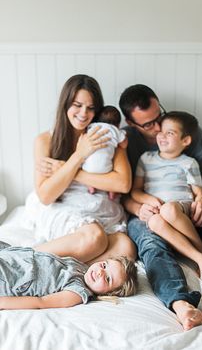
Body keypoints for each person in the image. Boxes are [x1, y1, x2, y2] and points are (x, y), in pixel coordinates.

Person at [119, 83, 202, 331]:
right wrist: (138, 207)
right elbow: (123, 192)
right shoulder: (127, 144)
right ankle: (183, 306)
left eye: (158, 116)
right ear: (131, 124)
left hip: (187, 209)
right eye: (149, 124)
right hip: (148, 213)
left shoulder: (183, 129)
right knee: (150, 242)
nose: (159, 128)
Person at [31, 74, 136, 264]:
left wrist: (66, 170)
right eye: (77, 105)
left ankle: (62, 268)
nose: (83, 113)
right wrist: (80, 154)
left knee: (125, 248)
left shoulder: (105, 134)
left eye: (90, 107)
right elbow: (46, 196)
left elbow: (123, 183)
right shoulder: (45, 140)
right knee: (94, 237)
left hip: (102, 208)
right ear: (65, 104)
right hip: (67, 208)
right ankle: (25, 257)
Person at [131, 111, 202, 277]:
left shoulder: (189, 162)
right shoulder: (146, 159)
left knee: (169, 210)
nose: (162, 136)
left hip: (181, 207)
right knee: (154, 222)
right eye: (161, 131)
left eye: (170, 133)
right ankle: (199, 257)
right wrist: (149, 199)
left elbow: (198, 193)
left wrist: (200, 204)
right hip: (158, 209)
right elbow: (135, 191)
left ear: (185, 140)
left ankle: (201, 247)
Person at [0, 241, 138, 310]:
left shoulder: (78, 292)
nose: (101, 272)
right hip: (13, 254)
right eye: (103, 265)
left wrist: (3, 302)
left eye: (108, 279)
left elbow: (41, 302)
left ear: (109, 293)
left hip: (13, 276)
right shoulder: (82, 268)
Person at [82, 105, 128, 199]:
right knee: (111, 170)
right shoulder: (115, 130)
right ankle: (111, 192)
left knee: (86, 164)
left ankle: (91, 187)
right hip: (105, 170)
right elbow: (124, 145)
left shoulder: (91, 127)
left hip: (88, 169)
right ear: (118, 124)